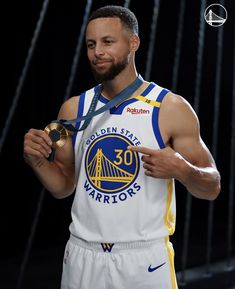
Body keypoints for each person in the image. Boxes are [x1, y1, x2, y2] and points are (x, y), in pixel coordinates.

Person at [23, 5, 221, 289]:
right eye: (91, 44)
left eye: (107, 42)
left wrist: (182, 169)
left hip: (143, 259)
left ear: (133, 43)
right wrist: (38, 161)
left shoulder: (169, 108)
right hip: (82, 254)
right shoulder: (74, 108)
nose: (97, 52)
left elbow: (212, 186)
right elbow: (63, 186)